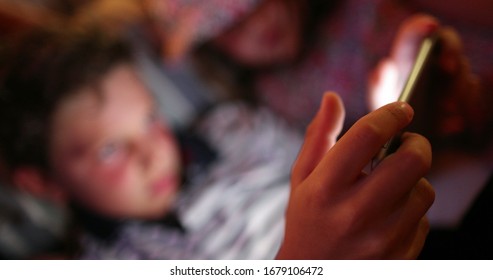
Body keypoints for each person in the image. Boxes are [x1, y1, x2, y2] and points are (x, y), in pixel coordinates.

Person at [0, 23, 434, 259]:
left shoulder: (236, 129)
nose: (155, 153)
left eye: (150, 118)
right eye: (109, 149)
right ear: (43, 184)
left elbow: (364, 181)